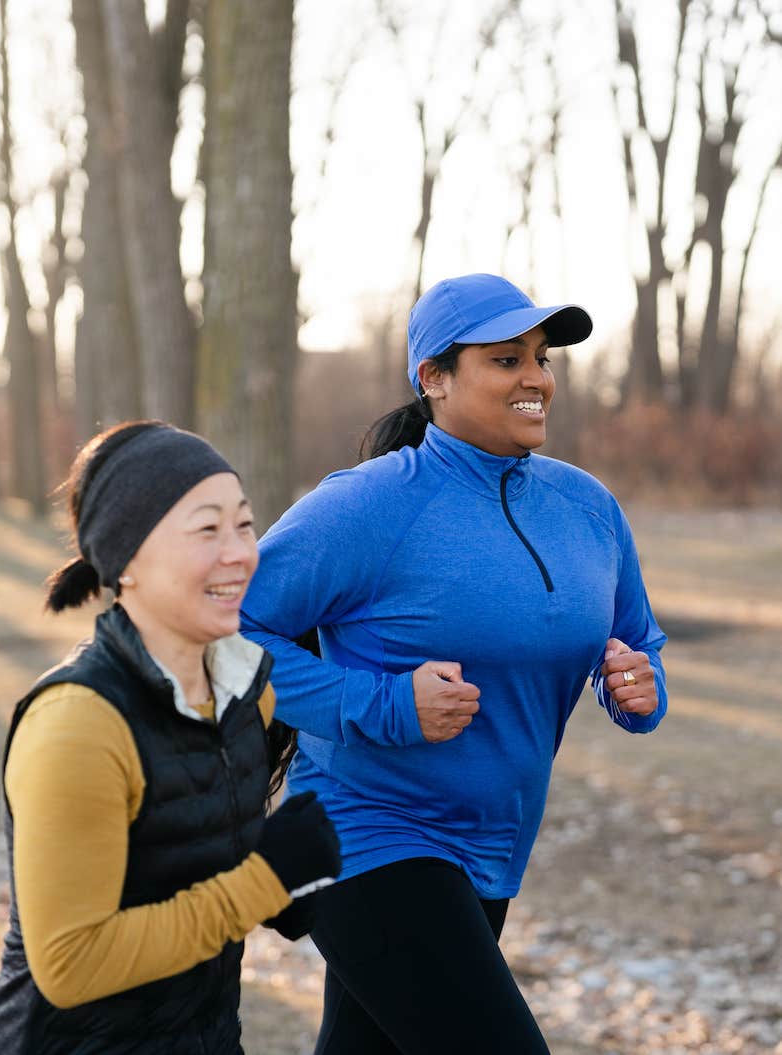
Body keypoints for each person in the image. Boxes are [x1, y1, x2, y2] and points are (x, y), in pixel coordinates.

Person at [240, 273, 667, 1054]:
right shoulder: (370, 505)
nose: (537, 376)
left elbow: (639, 641)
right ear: (433, 379)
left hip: (492, 847)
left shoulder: (588, 509)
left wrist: (640, 687)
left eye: (540, 357)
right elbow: (224, 634)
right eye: (506, 359)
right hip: (363, 834)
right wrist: (384, 705)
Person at [0, 421, 341, 1055]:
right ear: (128, 558)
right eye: (207, 529)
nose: (240, 553)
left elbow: (189, 850)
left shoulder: (248, 690)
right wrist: (261, 882)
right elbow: (72, 965)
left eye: (244, 525)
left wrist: (279, 882)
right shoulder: (78, 724)